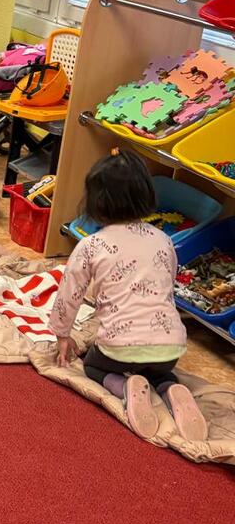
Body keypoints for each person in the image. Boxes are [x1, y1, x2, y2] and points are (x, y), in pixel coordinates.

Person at [50, 151, 206, 441]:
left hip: (117, 349)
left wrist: (62, 334)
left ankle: (124, 387)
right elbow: (167, 286)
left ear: (95, 202)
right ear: (147, 195)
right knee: (158, 372)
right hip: (170, 348)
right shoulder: (164, 240)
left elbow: (69, 294)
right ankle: (171, 388)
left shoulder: (92, 245)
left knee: (92, 365)